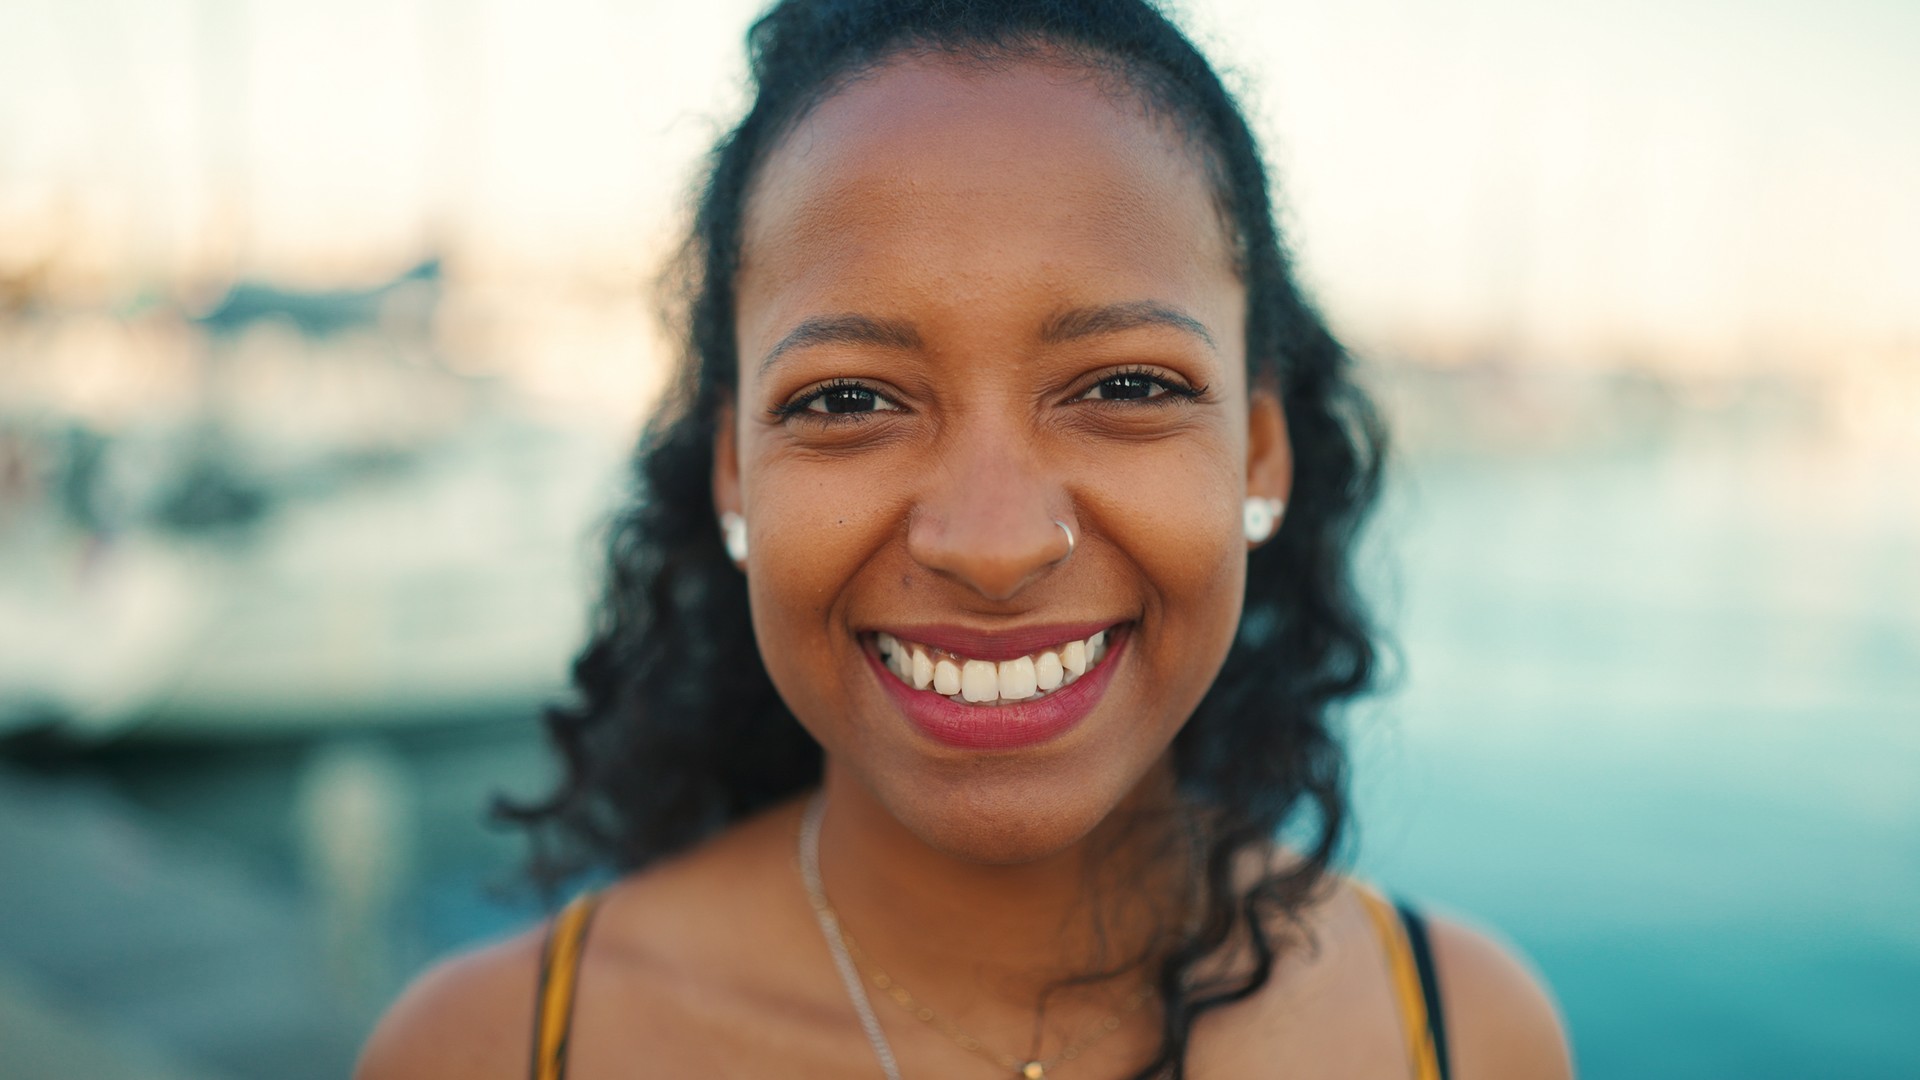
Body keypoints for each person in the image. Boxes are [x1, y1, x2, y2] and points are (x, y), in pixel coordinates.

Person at [357, 0, 1573, 1076]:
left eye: (1126, 387)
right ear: (735, 473)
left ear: (1260, 456)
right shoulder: (491, 1048)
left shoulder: (1466, 1034)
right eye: (848, 400)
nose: (993, 546)